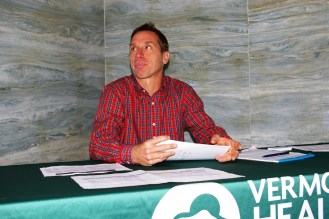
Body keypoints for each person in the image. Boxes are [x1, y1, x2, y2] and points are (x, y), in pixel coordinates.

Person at [89, 22, 241, 166]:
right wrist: (134, 154)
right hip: (127, 180)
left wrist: (218, 141)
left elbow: (204, 128)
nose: (138, 54)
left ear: (165, 57)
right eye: (133, 49)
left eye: (147, 47)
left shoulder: (182, 92)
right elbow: (99, 144)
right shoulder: (116, 91)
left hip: (174, 179)